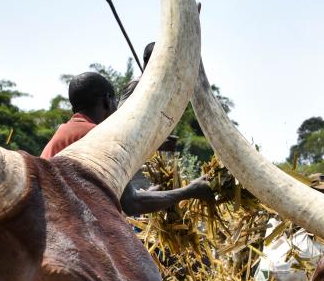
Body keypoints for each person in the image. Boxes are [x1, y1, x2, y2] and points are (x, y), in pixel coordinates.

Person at [41, 70, 212, 215]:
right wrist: (190, 191)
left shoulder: (63, 133)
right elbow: (131, 204)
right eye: (115, 101)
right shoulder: (98, 136)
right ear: (107, 100)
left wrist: (151, 194)